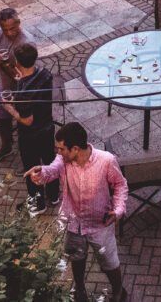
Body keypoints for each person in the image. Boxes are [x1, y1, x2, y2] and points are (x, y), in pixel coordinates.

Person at [26, 122, 129, 302]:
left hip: (101, 224)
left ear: (74, 149)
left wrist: (118, 210)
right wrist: (40, 173)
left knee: (109, 262)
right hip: (74, 223)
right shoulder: (63, 160)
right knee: (77, 256)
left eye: (61, 149)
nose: (58, 153)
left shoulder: (106, 161)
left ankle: (119, 290)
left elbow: (120, 185)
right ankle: (80, 289)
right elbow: (51, 171)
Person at [1, 42, 59, 216]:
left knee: (33, 168)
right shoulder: (45, 74)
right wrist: (20, 83)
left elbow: (26, 120)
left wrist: (10, 108)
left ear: (18, 62)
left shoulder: (24, 93)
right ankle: (54, 195)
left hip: (30, 135)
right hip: (48, 128)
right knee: (49, 162)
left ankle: (38, 203)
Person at [0, 7, 35, 162]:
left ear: (19, 23)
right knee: (2, 117)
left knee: (25, 123)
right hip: (5, 87)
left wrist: (5, 64)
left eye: (12, 28)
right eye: (5, 29)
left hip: (24, 90)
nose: (9, 33)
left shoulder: (27, 42)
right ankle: (6, 145)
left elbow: (22, 78)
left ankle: (26, 154)